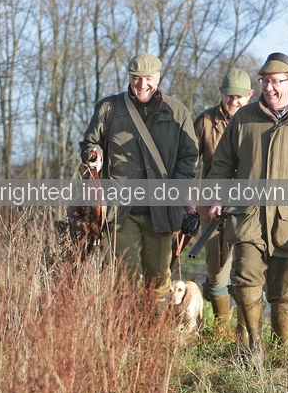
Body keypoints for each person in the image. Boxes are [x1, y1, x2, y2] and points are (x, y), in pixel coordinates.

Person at [209, 53, 288, 351]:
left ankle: (282, 352)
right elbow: (222, 163)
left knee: (286, 291)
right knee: (244, 280)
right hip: (247, 218)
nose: (269, 87)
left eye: (276, 81)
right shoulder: (244, 118)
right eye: (265, 81)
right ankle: (254, 350)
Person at [80, 53, 200, 302]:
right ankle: (127, 327)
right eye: (136, 78)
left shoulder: (177, 112)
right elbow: (90, 142)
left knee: (159, 282)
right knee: (126, 279)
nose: (142, 84)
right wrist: (93, 154)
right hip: (120, 211)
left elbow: (189, 156)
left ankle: (154, 326)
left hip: (161, 210)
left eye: (148, 78)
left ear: (158, 77)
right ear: (129, 77)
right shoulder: (109, 108)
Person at [193, 68, 254, 339]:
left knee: (247, 273)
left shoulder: (258, 122)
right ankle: (221, 331)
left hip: (248, 212)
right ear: (221, 93)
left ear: (250, 95)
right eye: (230, 96)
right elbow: (188, 161)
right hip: (212, 211)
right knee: (217, 275)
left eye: (240, 97)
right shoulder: (205, 121)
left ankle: (245, 333)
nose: (234, 101)